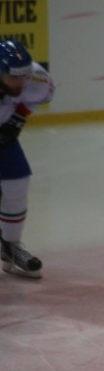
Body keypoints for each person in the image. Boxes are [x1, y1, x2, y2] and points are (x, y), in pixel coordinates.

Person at [0, 39, 54, 279]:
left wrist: (18, 118)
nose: (20, 83)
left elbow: (37, 95)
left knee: (18, 182)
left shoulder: (35, 78)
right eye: (14, 78)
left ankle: (11, 248)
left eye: (23, 77)